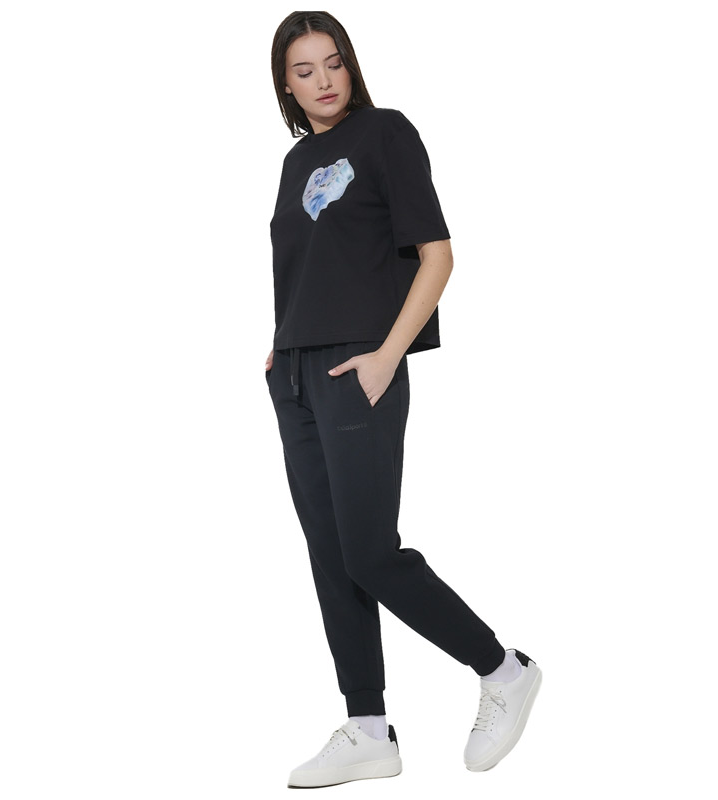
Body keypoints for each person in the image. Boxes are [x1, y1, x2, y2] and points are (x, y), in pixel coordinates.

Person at [264, 11, 542, 788]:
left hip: (361, 365)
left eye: (333, 63)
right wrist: (280, 346)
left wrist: (389, 355)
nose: (323, 80)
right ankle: (367, 728)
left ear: (350, 65)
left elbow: (438, 254)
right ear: (285, 85)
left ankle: (503, 669)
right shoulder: (295, 162)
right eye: (304, 70)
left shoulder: (385, 133)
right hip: (294, 374)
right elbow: (304, 264)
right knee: (331, 556)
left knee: (370, 552)